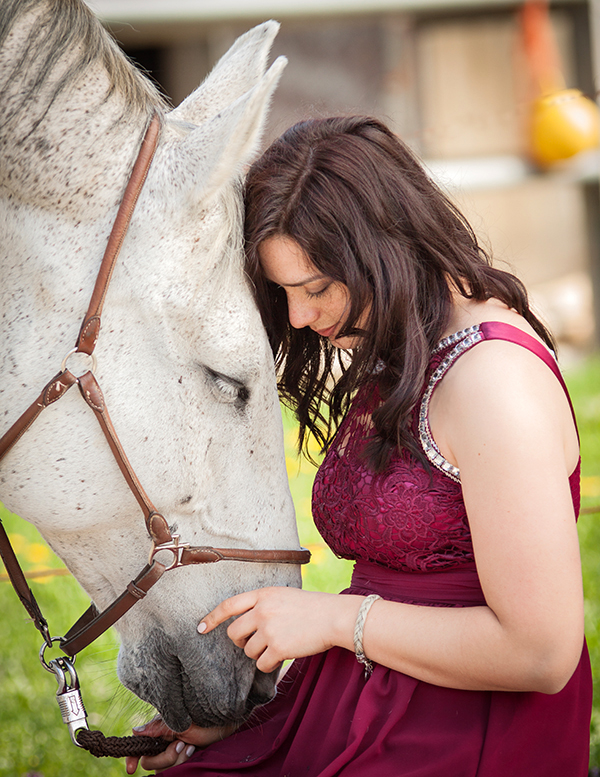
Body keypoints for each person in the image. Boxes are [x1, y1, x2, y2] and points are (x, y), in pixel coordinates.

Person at [126, 116, 592, 776]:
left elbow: (543, 654)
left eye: (317, 288)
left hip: (469, 731)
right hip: (367, 693)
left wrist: (331, 620)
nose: (299, 318)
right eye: (286, 291)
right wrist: (252, 720)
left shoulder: (494, 383)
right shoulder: (404, 345)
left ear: (386, 245)